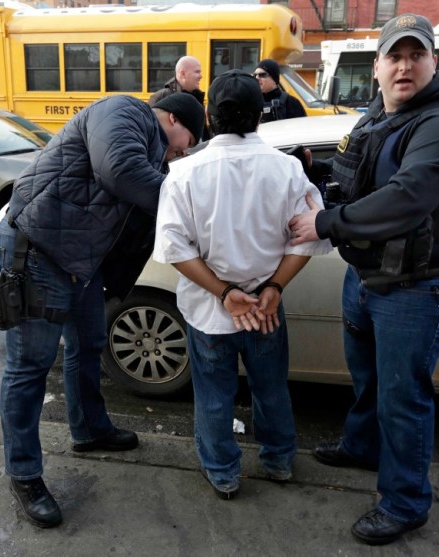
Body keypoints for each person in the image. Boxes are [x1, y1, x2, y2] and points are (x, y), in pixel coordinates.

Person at [289, 13, 439, 546]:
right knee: (369, 380)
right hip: (369, 277)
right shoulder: (380, 114)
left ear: (434, 63)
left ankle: (405, 503)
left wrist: (325, 223)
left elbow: (404, 199)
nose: (404, 66)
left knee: (403, 399)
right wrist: (312, 169)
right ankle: (362, 447)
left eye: (415, 55)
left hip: (416, 289)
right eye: (394, 56)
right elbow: (357, 173)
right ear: (376, 67)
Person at [0, 93, 205, 528]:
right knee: (29, 366)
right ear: (172, 118)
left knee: (89, 342)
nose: (183, 152)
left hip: (78, 260)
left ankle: (89, 429)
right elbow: (119, 170)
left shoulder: (154, 155)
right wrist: (192, 206)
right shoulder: (123, 111)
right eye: (189, 141)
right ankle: (24, 474)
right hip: (37, 246)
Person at [153, 70, 331, 500]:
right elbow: (309, 238)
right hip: (266, 308)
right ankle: (278, 460)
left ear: (209, 117)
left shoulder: (183, 173)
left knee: (214, 395)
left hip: (210, 311)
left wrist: (224, 293)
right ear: (259, 116)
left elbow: (175, 248)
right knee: (271, 388)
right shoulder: (288, 169)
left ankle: (222, 472)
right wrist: (274, 288)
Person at [149, 55, 211, 140]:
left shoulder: (197, 98)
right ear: (183, 74)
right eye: (197, 72)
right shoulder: (161, 97)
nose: (201, 76)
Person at [253, 58, 307, 123]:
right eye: (255, 75)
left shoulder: (291, 103)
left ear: (274, 79)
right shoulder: (251, 102)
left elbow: (301, 126)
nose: (257, 78)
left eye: (262, 75)